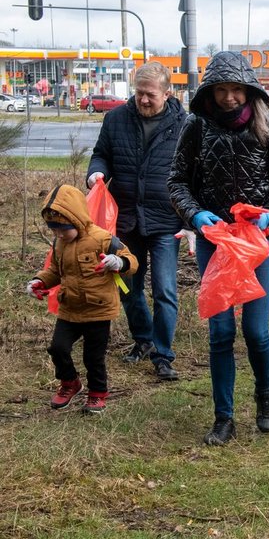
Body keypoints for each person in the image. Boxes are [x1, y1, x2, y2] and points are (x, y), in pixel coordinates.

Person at [168, 51, 269, 446]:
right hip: (218, 241)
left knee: (256, 330)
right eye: (222, 90)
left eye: (236, 90)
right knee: (221, 330)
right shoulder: (196, 126)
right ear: (210, 91)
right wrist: (195, 216)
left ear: (248, 90)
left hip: (260, 241)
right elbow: (176, 181)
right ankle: (223, 417)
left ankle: (265, 397)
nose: (229, 98)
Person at [86, 61, 189, 382]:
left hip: (165, 221)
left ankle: (163, 354)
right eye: (139, 93)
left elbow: (193, 176)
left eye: (151, 95)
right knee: (127, 286)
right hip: (126, 219)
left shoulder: (186, 126)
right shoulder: (116, 119)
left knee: (165, 291)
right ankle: (143, 339)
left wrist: (190, 222)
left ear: (168, 93)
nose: (143, 100)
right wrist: (96, 172)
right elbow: (101, 153)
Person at [28, 185, 138, 415]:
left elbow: (131, 260)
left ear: (76, 219)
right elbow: (55, 271)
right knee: (57, 348)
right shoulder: (60, 244)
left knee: (93, 357)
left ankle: (97, 394)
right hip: (70, 309)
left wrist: (118, 263)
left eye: (62, 229)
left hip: (98, 310)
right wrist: (39, 281)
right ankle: (70, 382)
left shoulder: (104, 239)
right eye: (53, 229)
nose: (58, 234)